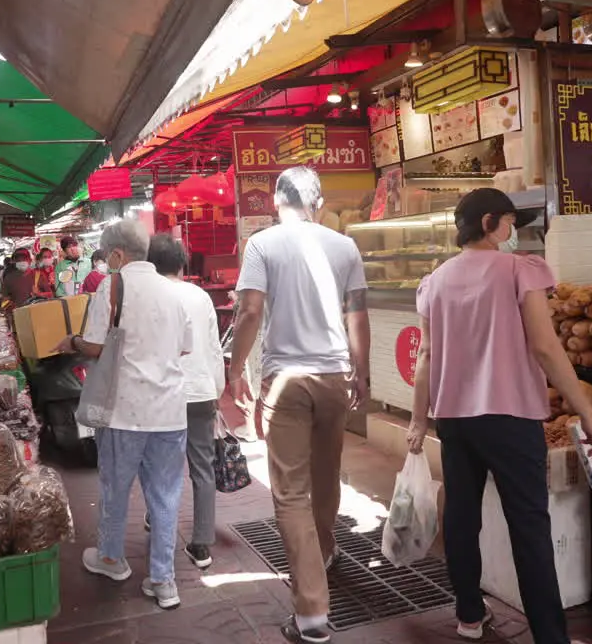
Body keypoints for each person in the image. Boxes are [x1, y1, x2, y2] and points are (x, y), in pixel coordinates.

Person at [406, 188, 592, 644]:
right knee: (530, 527)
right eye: (512, 223)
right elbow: (545, 346)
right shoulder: (520, 270)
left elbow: (426, 357)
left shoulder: (434, 281)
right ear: (490, 222)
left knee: (461, 517)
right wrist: (587, 412)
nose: (515, 233)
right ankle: (550, 637)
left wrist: (419, 420)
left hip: (455, 419)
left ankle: (470, 617)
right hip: (511, 419)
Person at [226, 166, 370, 644]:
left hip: (286, 380)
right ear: (319, 201)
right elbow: (358, 314)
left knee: (290, 492)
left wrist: (235, 371)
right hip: (334, 378)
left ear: (275, 201)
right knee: (327, 476)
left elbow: (250, 311)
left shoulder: (263, 245)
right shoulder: (344, 245)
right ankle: (323, 554)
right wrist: (361, 370)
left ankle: (311, 613)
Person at [55, 219, 193, 611]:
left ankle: (112, 559)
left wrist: (73, 341)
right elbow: (184, 349)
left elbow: (96, 346)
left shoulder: (112, 286)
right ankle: (164, 581)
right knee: (165, 497)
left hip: (124, 411)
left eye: (108, 256)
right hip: (169, 411)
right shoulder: (174, 292)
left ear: (116, 254)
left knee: (116, 487)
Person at [145, 234, 224, 570]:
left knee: (160, 467)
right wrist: (216, 392)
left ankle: (157, 521)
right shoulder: (200, 296)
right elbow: (213, 347)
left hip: (162, 393)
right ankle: (202, 545)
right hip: (200, 390)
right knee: (202, 469)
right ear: (181, 264)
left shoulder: (147, 296)